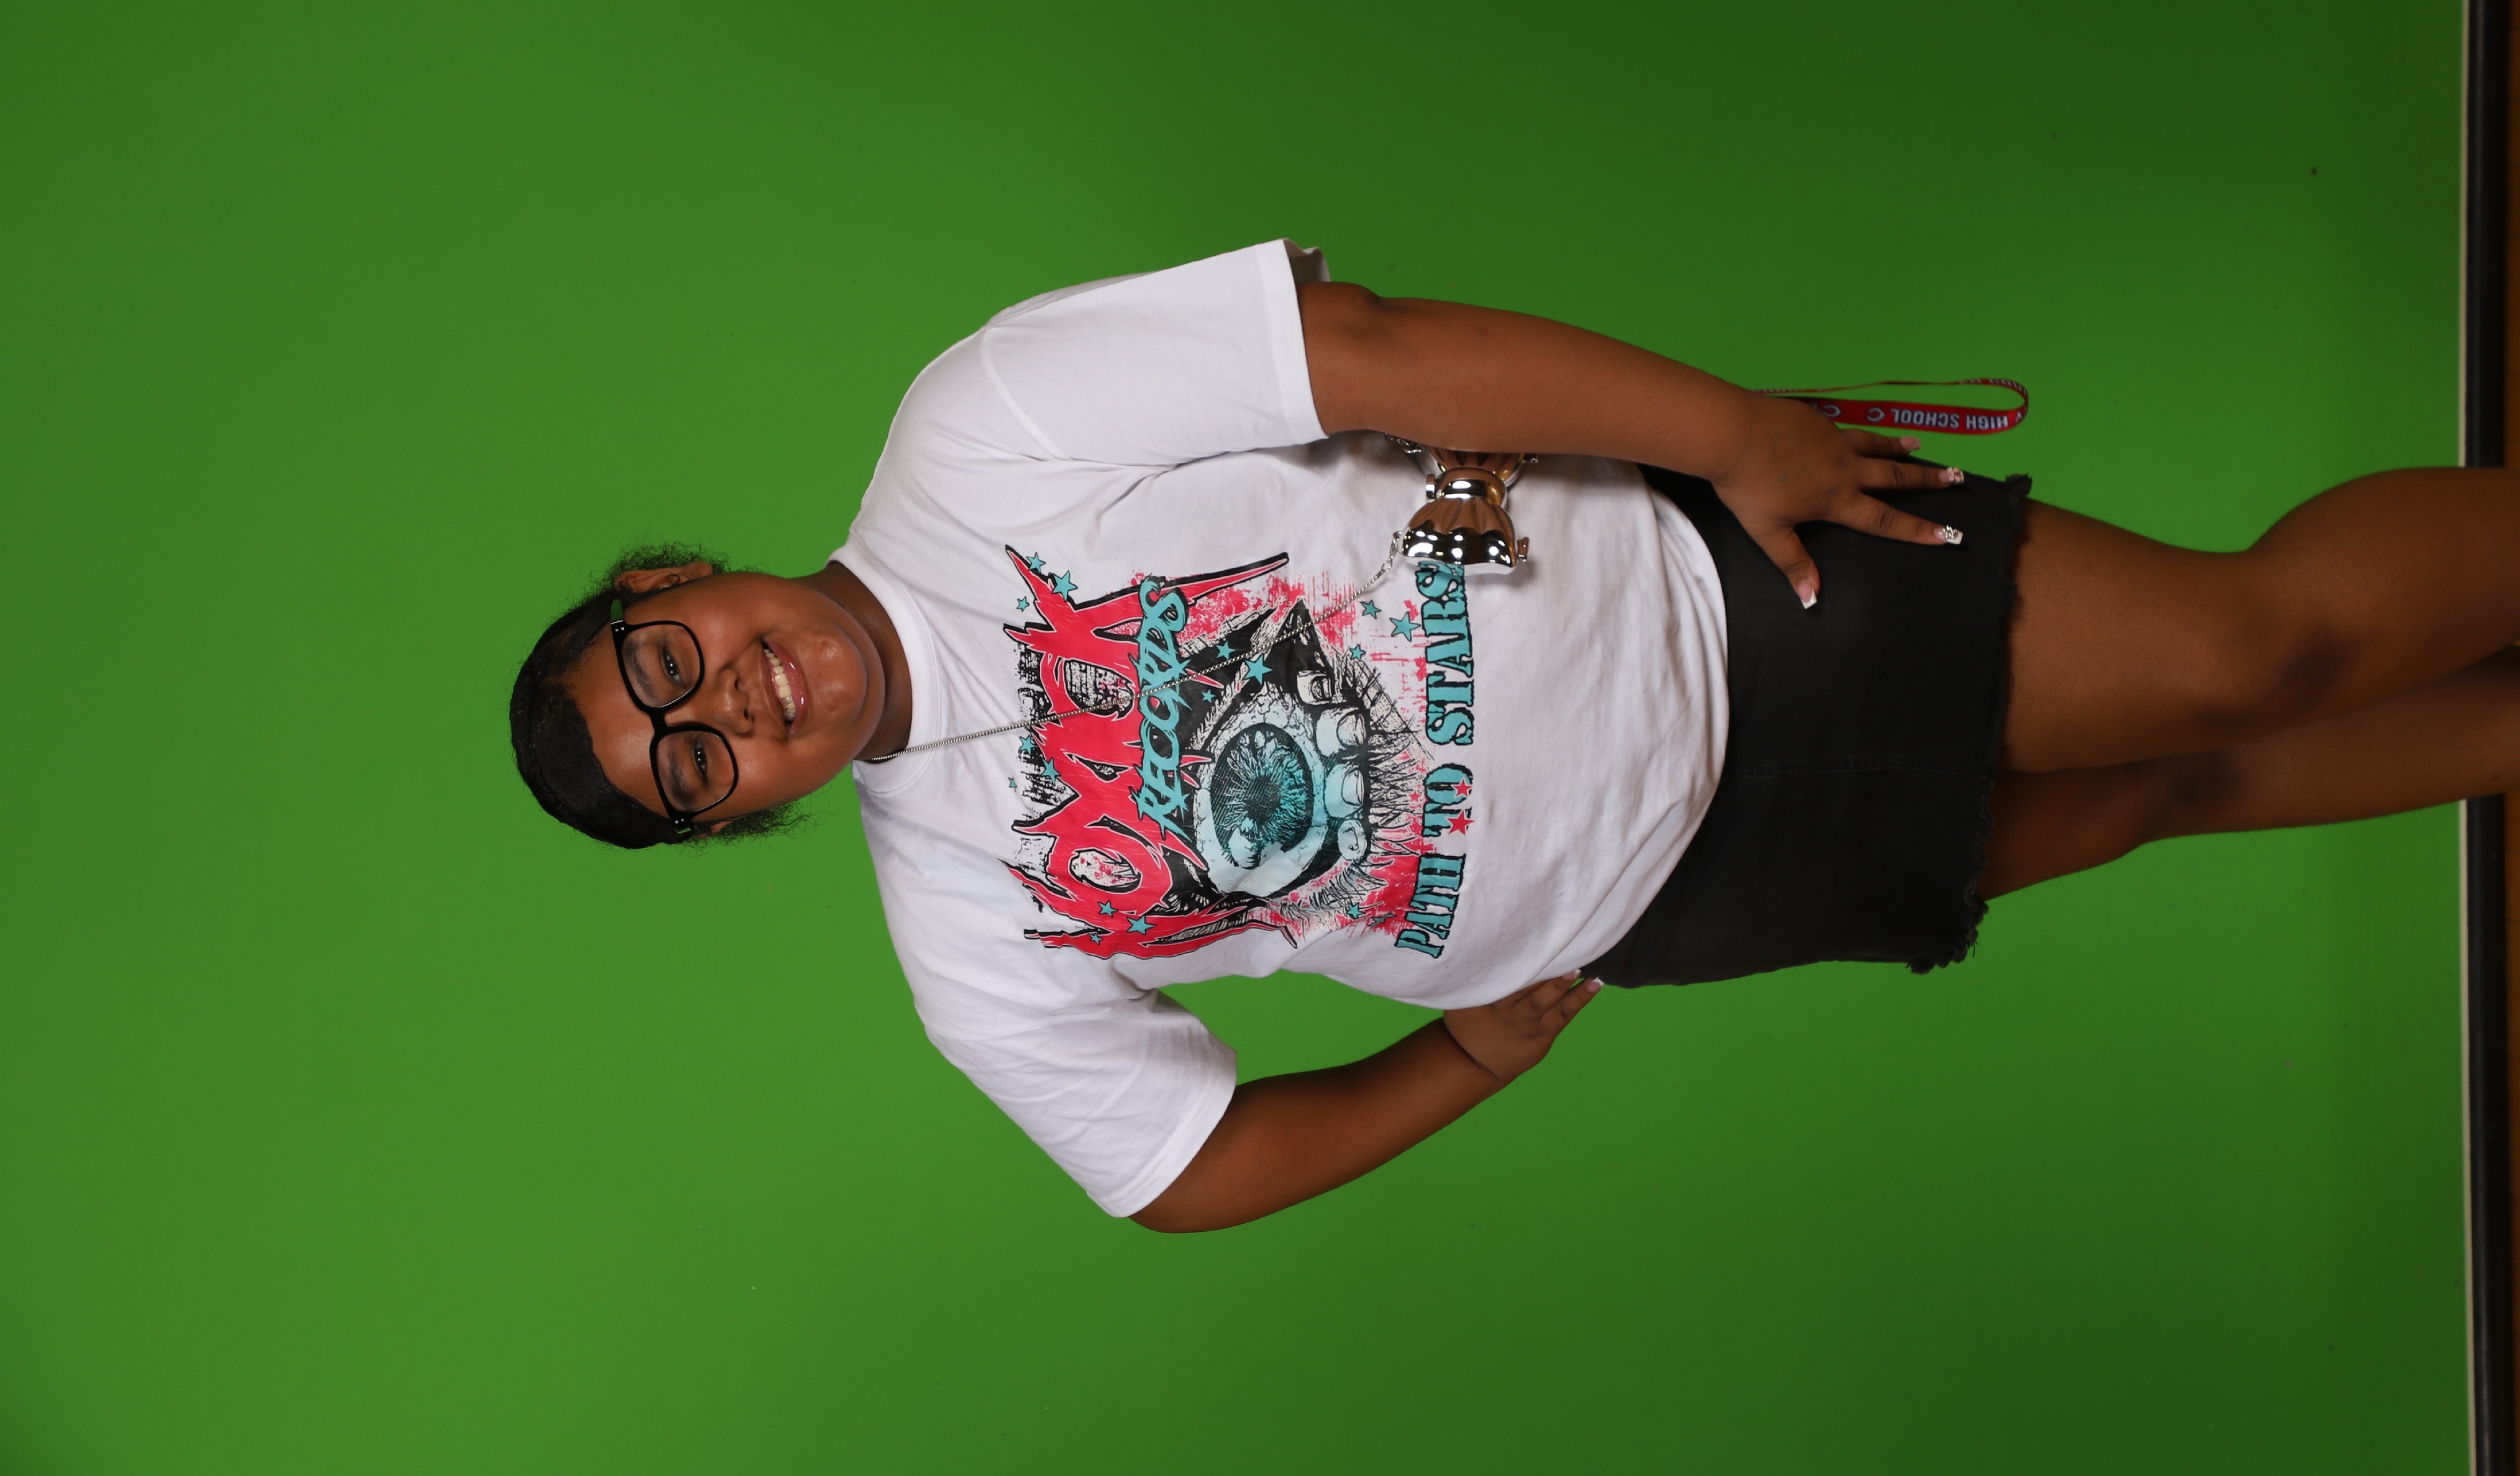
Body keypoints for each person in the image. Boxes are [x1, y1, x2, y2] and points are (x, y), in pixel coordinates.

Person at [508, 239, 2520, 1232]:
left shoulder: (975, 432)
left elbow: (1371, 348)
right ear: (733, 821)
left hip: (1723, 601)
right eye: (696, 766)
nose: (730, 705)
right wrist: (1458, 1059)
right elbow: (1177, 1171)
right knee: (2166, 791)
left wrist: (1732, 435)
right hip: (1696, 896)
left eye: (670, 659)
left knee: (2253, 650)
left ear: (675, 580)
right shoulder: (962, 926)